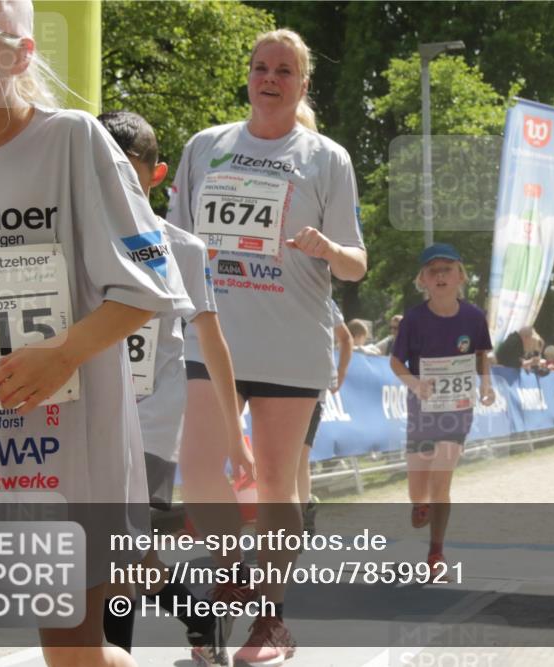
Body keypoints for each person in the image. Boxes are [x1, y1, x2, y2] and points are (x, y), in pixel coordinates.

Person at [0, 3, 193, 666]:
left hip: (58, 458)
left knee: (73, 652)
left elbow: (151, 288)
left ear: (16, 54)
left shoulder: (74, 140)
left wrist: (62, 351)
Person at [167, 27, 366, 666]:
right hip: (212, 334)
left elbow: (358, 263)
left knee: (278, 485)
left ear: (302, 84)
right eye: (260, 67)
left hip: (290, 342)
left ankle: (269, 620)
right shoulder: (206, 147)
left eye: (284, 69)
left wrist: (328, 250)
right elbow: (171, 239)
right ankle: (233, 568)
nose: (270, 78)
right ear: (248, 77)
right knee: (198, 469)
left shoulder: (326, 157)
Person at [98, 110, 247, 665]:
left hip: (149, 426)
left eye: (125, 172)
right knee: (116, 552)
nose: (110, 185)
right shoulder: (68, 237)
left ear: (156, 175)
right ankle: (197, 610)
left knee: (116, 553)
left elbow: (212, 340)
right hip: (79, 418)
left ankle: (119, 654)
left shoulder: (183, 248)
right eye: (97, 170)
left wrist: (235, 434)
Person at [390, 243, 494, 578]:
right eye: (432, 270)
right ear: (422, 279)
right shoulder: (413, 319)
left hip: (458, 410)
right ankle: (420, 504)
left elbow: (481, 354)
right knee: (418, 486)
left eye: (447, 269)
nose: (440, 276)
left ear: (461, 276)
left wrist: (486, 384)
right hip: (422, 408)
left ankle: (436, 554)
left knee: (443, 473)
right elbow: (395, 361)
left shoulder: (475, 317)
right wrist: (416, 384)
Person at [298, 298, 351, 533]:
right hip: (272, 383)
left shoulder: (324, 297)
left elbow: (346, 338)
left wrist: (339, 373)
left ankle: (300, 517)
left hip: (310, 387)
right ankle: (293, 515)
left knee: (299, 458)